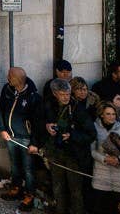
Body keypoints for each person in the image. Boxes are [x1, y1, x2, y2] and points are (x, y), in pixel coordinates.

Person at [0, 67, 43, 211]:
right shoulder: (7, 89)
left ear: (19, 79)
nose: (8, 78)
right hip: (10, 136)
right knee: (14, 165)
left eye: (11, 76)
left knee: (28, 169)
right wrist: (3, 129)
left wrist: (35, 143)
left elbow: (38, 123)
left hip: (26, 139)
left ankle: (30, 195)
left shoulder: (33, 97)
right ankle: (16, 188)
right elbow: (1, 109)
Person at [40, 78, 89, 214]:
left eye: (68, 94)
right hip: (55, 154)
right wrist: (46, 126)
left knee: (76, 190)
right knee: (58, 187)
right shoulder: (48, 106)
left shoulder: (77, 109)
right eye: (63, 94)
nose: (66, 97)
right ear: (55, 93)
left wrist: (72, 136)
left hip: (73, 155)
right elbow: (38, 124)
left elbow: (91, 134)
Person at [90, 102, 120, 214]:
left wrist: (119, 159)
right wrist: (105, 159)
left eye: (113, 114)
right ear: (101, 115)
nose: (112, 117)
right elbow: (92, 151)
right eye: (108, 114)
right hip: (101, 176)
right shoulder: (94, 127)